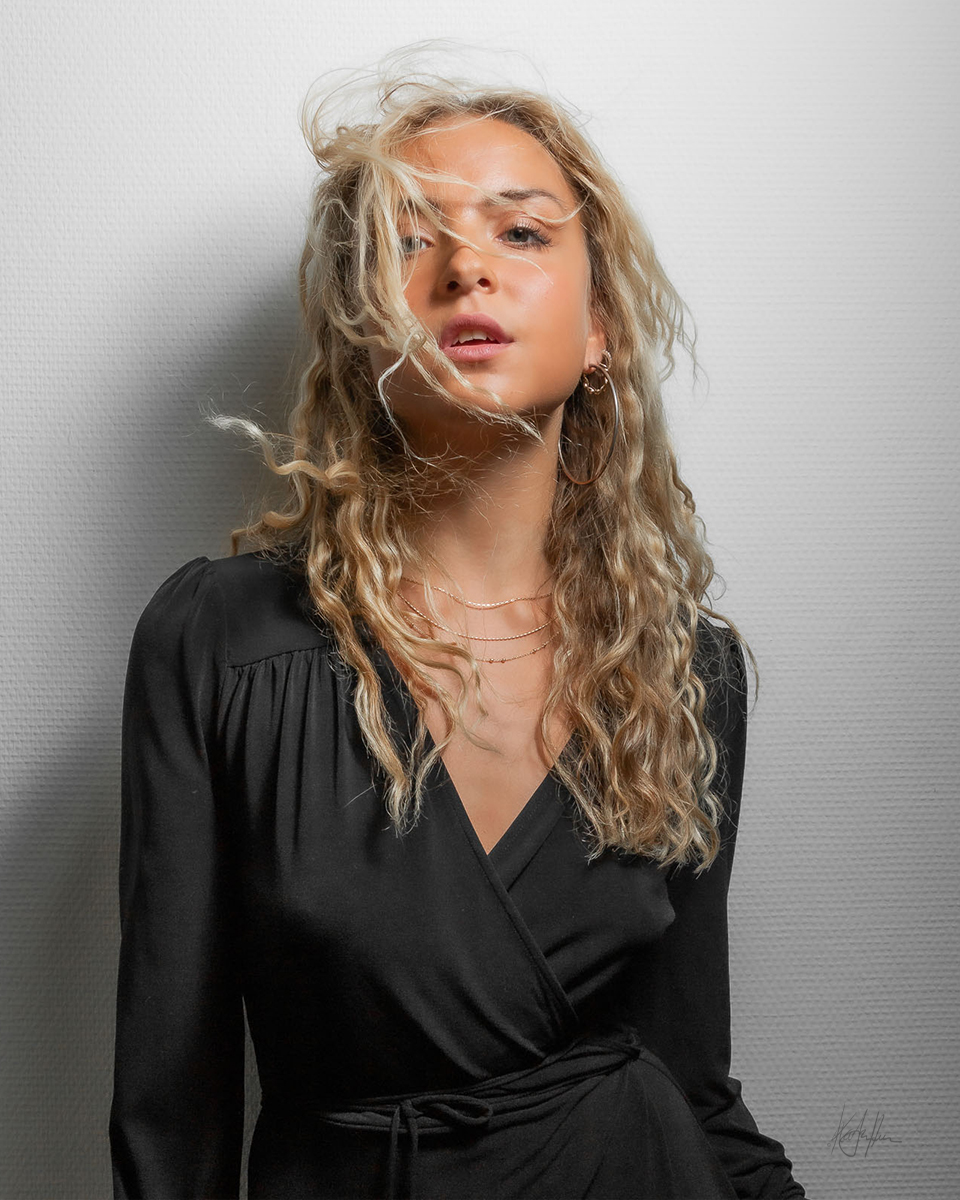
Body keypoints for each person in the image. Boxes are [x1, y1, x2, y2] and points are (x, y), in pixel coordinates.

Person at [109, 51, 805, 1200]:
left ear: (601, 328)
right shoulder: (220, 643)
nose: (466, 266)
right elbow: (169, 1114)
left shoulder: (686, 671)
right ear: (363, 329)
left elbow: (693, 1082)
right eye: (409, 241)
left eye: (521, 233)